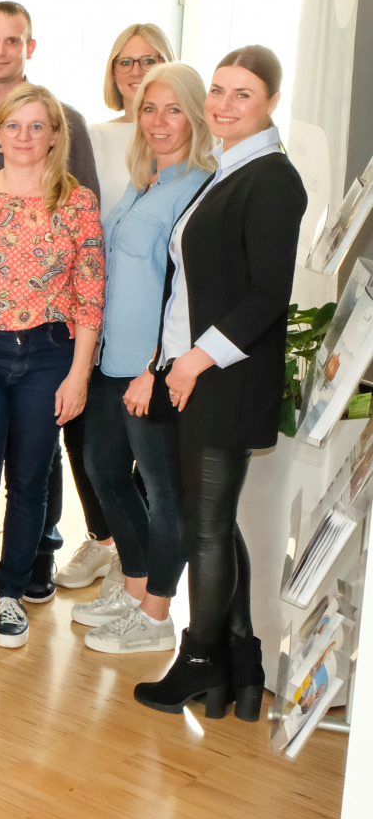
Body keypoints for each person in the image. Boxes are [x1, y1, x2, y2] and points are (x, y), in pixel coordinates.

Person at [135, 46, 307, 722]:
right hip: (195, 371)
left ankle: (201, 657)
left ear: (271, 103)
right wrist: (170, 361)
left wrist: (195, 360)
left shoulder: (272, 179)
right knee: (213, 520)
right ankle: (241, 660)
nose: (224, 105)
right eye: (218, 90)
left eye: (243, 94)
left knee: (204, 527)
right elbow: (193, 287)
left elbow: (268, 294)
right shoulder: (229, 167)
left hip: (226, 377)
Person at [0, 0, 109, 603]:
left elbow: (89, 293)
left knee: (32, 480)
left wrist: (79, 373)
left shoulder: (77, 202)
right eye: (14, 127)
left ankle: (17, 584)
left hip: (47, 352)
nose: (25, 136)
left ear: (55, 133)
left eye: (37, 127)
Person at [77, 64, 214, 655]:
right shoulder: (146, 180)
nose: (159, 122)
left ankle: (156, 614)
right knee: (104, 472)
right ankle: (134, 588)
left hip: (151, 367)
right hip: (112, 356)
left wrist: (153, 368)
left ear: (196, 117)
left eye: (173, 110)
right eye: (150, 109)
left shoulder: (200, 187)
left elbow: (185, 290)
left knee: (161, 490)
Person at [88, 23, 176, 220]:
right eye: (125, 62)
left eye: (148, 61)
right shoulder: (90, 138)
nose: (136, 72)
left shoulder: (191, 136)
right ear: (113, 72)